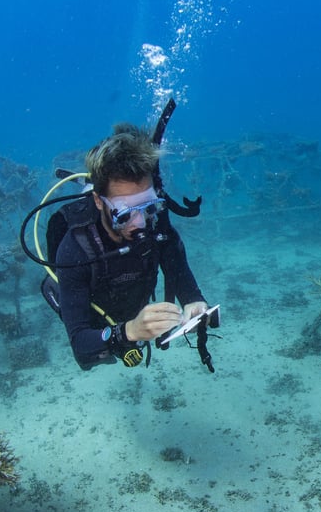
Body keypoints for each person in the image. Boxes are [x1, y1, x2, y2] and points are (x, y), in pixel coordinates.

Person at [55, 123, 208, 371]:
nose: (140, 224)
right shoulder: (76, 250)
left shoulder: (158, 227)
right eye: (124, 214)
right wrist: (130, 331)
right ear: (99, 201)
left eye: (148, 207)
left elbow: (181, 277)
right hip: (102, 321)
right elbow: (81, 345)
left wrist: (194, 302)